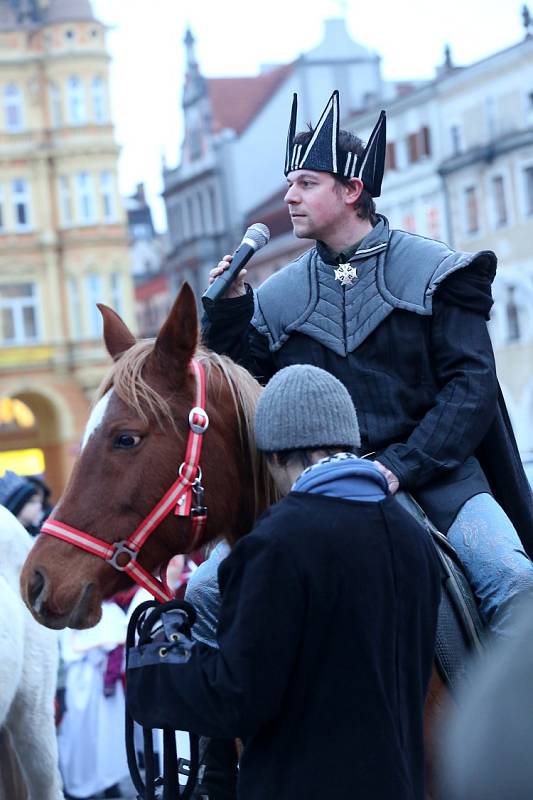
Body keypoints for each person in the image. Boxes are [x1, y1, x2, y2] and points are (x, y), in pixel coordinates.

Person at [202, 89, 533, 636]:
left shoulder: (439, 273)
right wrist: (234, 307)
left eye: (306, 182)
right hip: (313, 486)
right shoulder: (277, 296)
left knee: (513, 583)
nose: (290, 197)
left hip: (441, 481)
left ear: (353, 189)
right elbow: (253, 392)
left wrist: (400, 466)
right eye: (290, 183)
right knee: (205, 592)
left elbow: (470, 389)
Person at [127, 364, 441, 799]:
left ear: (273, 455)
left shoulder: (276, 544)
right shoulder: (415, 539)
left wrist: (161, 655)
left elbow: (237, 697)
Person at [58, 599, 129, 800]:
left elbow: (121, 640)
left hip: (106, 680)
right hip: (82, 679)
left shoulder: (111, 610)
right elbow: (70, 647)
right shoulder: (72, 608)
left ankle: (110, 781)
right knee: (81, 732)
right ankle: (79, 784)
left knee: (109, 732)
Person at [0, 469, 44, 534]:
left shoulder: (37, 534)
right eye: (32, 502)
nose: (39, 506)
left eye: (40, 502)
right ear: (18, 506)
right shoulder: (6, 536)